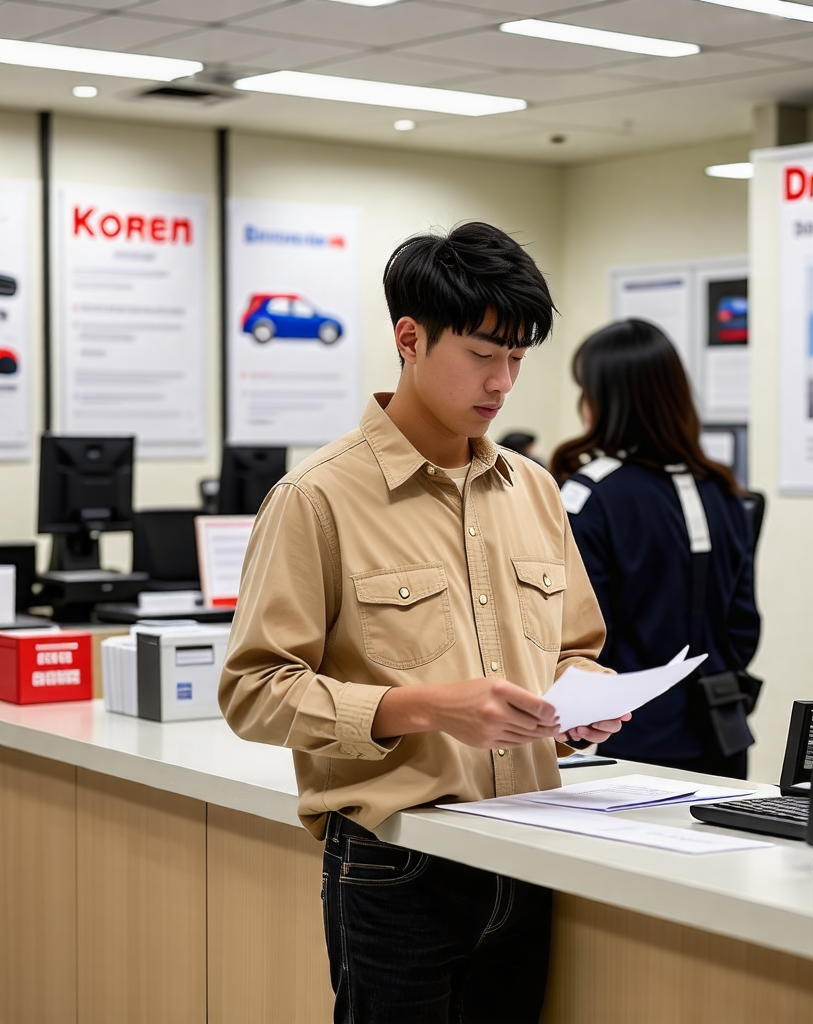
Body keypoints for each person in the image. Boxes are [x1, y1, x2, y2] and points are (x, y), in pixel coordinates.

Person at [219, 222, 626, 1024]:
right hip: (398, 865)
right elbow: (256, 691)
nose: (503, 381)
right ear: (410, 338)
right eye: (483, 353)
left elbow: (577, 649)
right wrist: (427, 709)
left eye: (517, 358)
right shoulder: (317, 498)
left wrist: (587, 702)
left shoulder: (537, 491)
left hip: (529, 852)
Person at [551, 318, 760, 779]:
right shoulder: (725, 491)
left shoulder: (590, 494)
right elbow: (743, 627)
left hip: (622, 741)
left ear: (604, 400)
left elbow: (577, 635)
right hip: (721, 732)